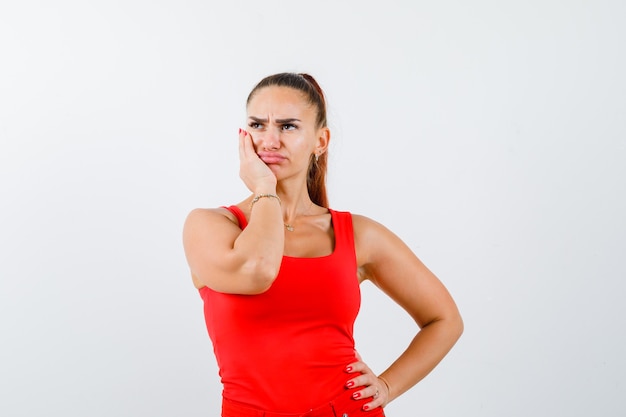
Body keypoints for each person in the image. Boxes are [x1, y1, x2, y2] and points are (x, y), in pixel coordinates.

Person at [182, 72, 463, 417]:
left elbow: (444, 319)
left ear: (321, 140)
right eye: (257, 125)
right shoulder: (210, 226)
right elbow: (257, 270)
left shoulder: (357, 235)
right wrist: (265, 190)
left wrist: (387, 386)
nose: (269, 141)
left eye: (288, 127)